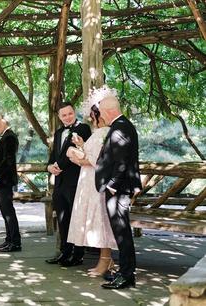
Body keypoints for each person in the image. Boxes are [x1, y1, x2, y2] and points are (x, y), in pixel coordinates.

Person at [65, 93, 118, 277]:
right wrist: (81, 146)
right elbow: (92, 154)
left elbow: (96, 160)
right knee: (96, 219)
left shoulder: (104, 133)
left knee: (100, 219)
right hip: (88, 180)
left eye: (92, 114)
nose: (90, 118)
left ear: (98, 115)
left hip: (96, 180)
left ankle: (106, 261)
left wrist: (76, 156)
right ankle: (106, 260)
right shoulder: (99, 133)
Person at [95, 86, 142, 289]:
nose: (101, 116)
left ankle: (126, 276)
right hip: (120, 188)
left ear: (109, 111)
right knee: (120, 232)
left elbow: (122, 162)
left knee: (122, 233)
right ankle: (124, 272)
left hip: (118, 190)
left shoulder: (120, 127)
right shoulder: (122, 125)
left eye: (102, 112)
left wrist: (112, 186)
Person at [45, 103, 91, 266]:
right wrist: (49, 167)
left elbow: (75, 152)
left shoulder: (84, 128)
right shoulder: (58, 133)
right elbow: (54, 155)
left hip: (75, 181)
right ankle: (64, 252)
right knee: (63, 219)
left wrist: (59, 166)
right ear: (59, 117)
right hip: (59, 183)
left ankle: (78, 255)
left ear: (74, 112)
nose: (67, 117)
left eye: (70, 113)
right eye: (64, 115)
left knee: (76, 218)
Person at [0, 115, 21, 253]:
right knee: (5, 212)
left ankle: (15, 243)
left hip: (5, 180)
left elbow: (8, 161)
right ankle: (9, 240)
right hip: (2, 181)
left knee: (9, 212)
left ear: (3, 122)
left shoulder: (10, 137)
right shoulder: (5, 137)